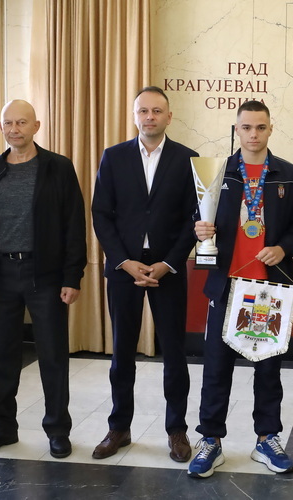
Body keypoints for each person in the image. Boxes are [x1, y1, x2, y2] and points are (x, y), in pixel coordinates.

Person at [188, 100, 293, 478]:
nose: (253, 134)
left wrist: (283, 248)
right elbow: (197, 218)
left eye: (260, 127)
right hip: (226, 286)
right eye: (246, 127)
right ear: (236, 130)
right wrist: (200, 229)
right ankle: (210, 440)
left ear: (270, 129)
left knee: (268, 368)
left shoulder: (288, 174)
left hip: (269, 288)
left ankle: (266, 438)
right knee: (216, 368)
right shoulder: (217, 173)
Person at [0, 99, 86, 459]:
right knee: (0, 356)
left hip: (45, 275)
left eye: (21, 122)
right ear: (1, 127)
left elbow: (74, 225)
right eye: (8, 123)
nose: (14, 129)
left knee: (52, 355)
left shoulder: (58, 168)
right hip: (2, 275)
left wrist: (72, 276)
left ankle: (57, 430)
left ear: (36, 126)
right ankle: (2, 427)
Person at [91, 86, 198, 462]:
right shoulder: (114, 156)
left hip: (168, 267)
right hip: (125, 268)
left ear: (169, 116)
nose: (149, 117)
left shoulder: (188, 159)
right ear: (135, 116)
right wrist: (123, 260)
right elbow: (101, 214)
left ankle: (177, 430)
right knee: (122, 352)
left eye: (156, 111)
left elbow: (194, 218)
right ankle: (119, 427)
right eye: (143, 111)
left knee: (174, 353)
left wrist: (169, 263)